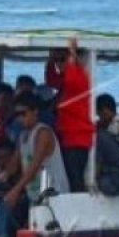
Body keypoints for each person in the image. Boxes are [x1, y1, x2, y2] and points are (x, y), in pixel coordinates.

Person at [2, 92, 70, 211]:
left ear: (35, 111)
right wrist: (4, 174)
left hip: (54, 195)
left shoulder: (43, 133)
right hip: (35, 196)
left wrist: (15, 191)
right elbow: (13, 164)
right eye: (17, 115)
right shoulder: (22, 136)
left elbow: (34, 165)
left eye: (23, 113)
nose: (19, 118)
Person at [47, 37, 95, 192]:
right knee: (69, 175)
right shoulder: (67, 79)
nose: (59, 64)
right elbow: (52, 80)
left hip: (77, 138)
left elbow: (70, 77)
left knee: (75, 177)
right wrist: (51, 60)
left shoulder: (79, 78)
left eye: (62, 60)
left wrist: (72, 54)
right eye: (57, 61)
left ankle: (81, 208)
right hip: (68, 136)